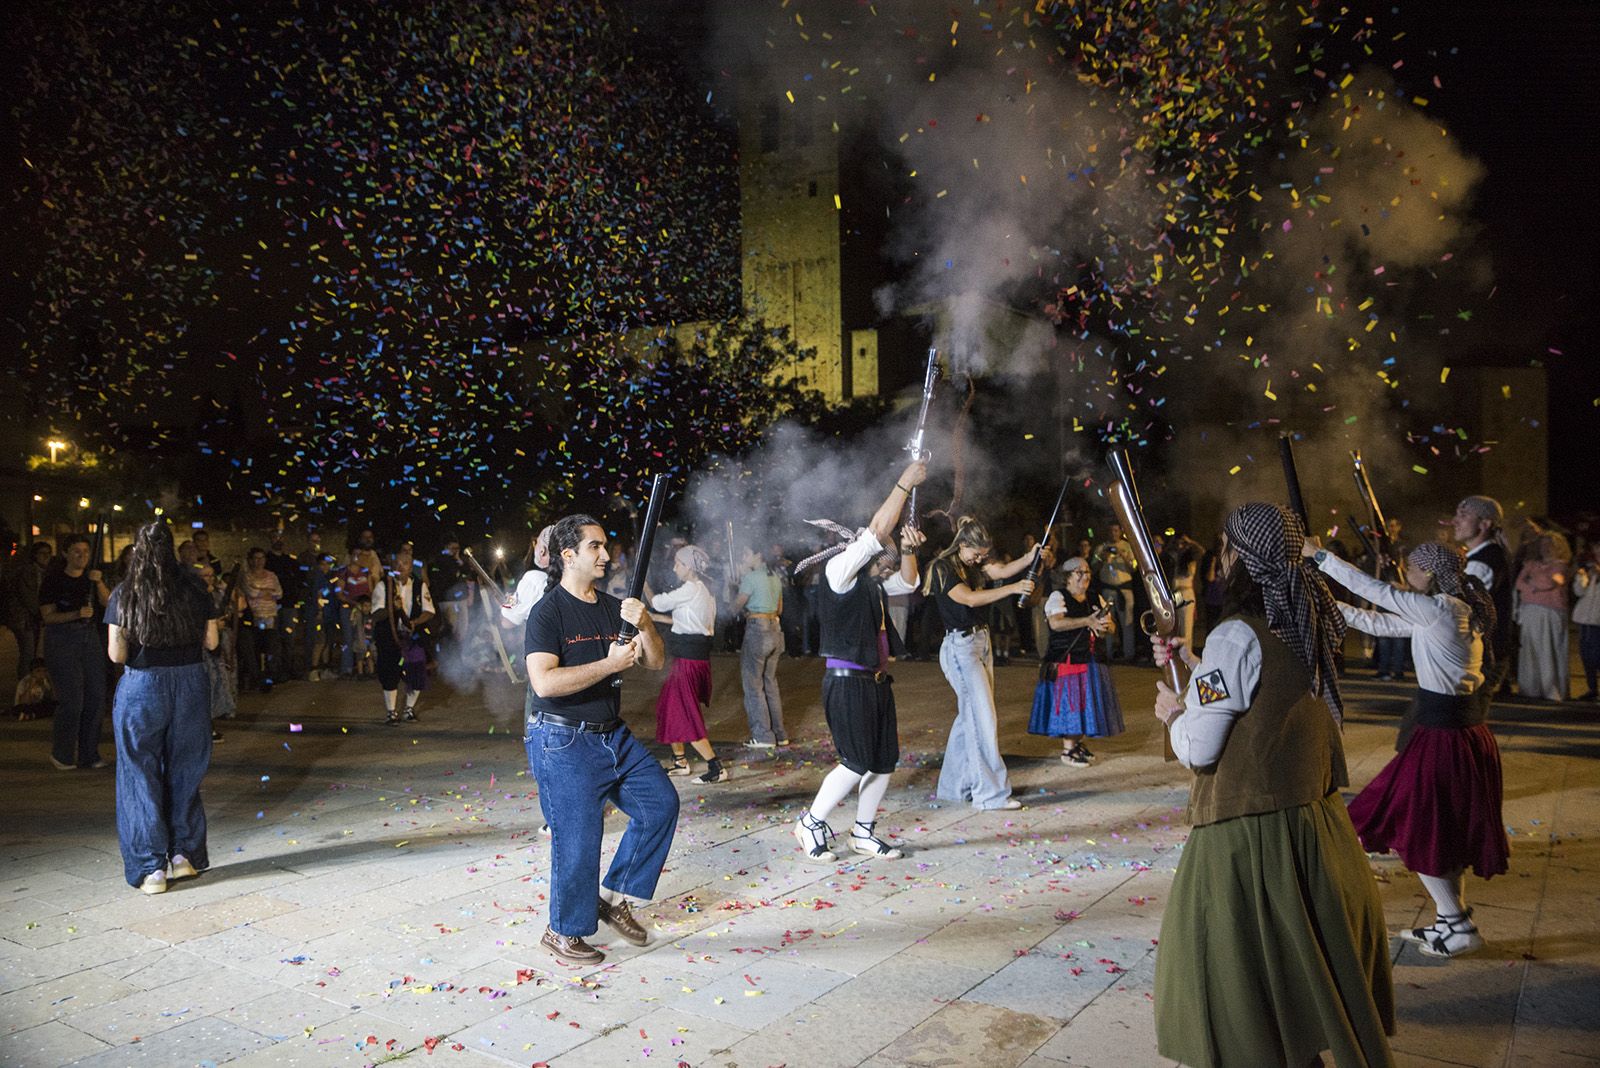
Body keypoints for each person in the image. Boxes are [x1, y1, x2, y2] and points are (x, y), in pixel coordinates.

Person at [1150, 503, 1392, 1068]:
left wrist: (1174, 712)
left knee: (1242, 987)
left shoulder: (1236, 635)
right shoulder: (1307, 618)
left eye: (1225, 547)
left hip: (1251, 837)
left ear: (1239, 555)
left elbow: (1199, 747)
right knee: (1298, 979)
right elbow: (1258, 685)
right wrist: (1195, 661)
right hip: (1313, 824)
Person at [1311, 538, 1509, 959]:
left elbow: (1376, 591)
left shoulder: (1441, 610)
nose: (1407, 573)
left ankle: (1457, 926)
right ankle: (1451, 922)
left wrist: (1322, 557)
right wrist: (1324, 603)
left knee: (1419, 828)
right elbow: (1379, 622)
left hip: (1445, 738)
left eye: (1413, 567)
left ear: (1431, 573)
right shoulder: (1446, 611)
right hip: (1453, 734)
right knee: (1437, 831)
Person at [523, 514, 673, 965]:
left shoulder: (613, 607)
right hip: (563, 740)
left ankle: (611, 897)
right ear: (568, 555)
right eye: (596, 547)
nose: (607, 554)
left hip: (612, 735)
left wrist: (645, 624)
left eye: (605, 546)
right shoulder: (548, 612)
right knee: (578, 839)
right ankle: (562, 931)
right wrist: (609, 665)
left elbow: (653, 662)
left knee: (660, 805)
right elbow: (544, 682)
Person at [793, 461, 927, 862]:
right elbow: (877, 530)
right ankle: (811, 822)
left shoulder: (872, 586)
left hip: (876, 681)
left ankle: (863, 833)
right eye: (884, 555)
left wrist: (909, 552)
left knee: (883, 762)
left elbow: (909, 582)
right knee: (855, 762)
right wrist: (904, 482)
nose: (887, 561)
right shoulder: (838, 572)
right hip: (846, 681)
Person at [104, 521, 221, 894]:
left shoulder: (125, 593)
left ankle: (151, 868)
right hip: (190, 682)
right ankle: (184, 856)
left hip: (144, 684)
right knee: (186, 769)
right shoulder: (195, 588)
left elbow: (116, 654)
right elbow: (212, 641)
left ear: (137, 551)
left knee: (139, 771)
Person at [922, 516, 1038, 810]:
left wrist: (1030, 557)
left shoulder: (973, 563)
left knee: (970, 717)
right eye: (976, 554)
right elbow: (969, 599)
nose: (979, 560)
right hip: (960, 648)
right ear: (962, 544)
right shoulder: (942, 567)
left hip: (980, 641)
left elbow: (1001, 570)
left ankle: (952, 788)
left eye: (983, 556)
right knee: (982, 718)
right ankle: (989, 795)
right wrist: (1012, 589)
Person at [1028, 557, 1122, 766]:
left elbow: (1112, 627)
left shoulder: (1095, 597)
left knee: (1086, 704)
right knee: (1071, 704)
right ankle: (1068, 750)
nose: (1085, 576)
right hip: (1067, 660)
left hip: (1091, 660)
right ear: (1067, 577)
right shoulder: (1058, 597)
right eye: (1079, 572)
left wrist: (1106, 626)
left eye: (1087, 572)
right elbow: (1056, 623)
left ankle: (1077, 744)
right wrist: (1087, 620)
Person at [649, 545, 727, 783]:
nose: (675, 568)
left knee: (685, 713)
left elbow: (658, 602)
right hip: (694, 659)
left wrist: (643, 586)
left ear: (690, 567)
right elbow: (687, 620)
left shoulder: (691, 588)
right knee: (669, 706)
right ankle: (680, 762)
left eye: (678, 563)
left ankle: (716, 767)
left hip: (688, 662)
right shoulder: (704, 591)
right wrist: (654, 618)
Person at [40, 534, 112, 769]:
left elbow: (108, 603)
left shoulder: (91, 578)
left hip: (89, 639)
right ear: (65, 554)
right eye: (76, 551)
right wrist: (75, 614)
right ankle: (62, 753)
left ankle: (89, 753)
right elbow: (48, 616)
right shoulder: (53, 580)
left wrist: (99, 583)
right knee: (72, 701)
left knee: (96, 697)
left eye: (86, 552)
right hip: (62, 640)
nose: (82, 556)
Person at [1451, 496, 1513, 696]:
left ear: (1485, 524)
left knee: (1465, 711)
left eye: (1463, 515)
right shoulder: (1486, 556)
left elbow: (1456, 608)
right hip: (1484, 652)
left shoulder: (1483, 563)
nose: (1455, 521)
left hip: (1481, 656)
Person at [370, 545, 434, 723]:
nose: (400, 567)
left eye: (404, 563)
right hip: (389, 636)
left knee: (417, 672)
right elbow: (376, 613)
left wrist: (415, 622)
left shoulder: (420, 586)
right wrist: (392, 607)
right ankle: (391, 712)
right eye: (397, 563)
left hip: (413, 637)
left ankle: (409, 709)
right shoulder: (383, 585)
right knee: (389, 671)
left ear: (411, 566)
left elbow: (429, 611)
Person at [733, 545, 787, 748]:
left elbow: (736, 606)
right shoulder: (775, 577)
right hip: (775, 629)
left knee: (753, 686)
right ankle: (779, 733)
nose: (744, 557)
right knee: (770, 683)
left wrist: (733, 589)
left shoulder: (751, 577)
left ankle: (763, 735)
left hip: (758, 630)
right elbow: (779, 608)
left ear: (758, 555)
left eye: (747, 553)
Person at [1514, 532, 1571, 702]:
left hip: (1551, 611)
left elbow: (1549, 583)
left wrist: (1531, 583)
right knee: (1530, 649)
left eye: (1550, 545)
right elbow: (1519, 583)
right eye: (1543, 545)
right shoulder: (1532, 564)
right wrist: (1535, 586)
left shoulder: (1561, 566)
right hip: (1530, 610)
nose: (1545, 548)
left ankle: (1551, 688)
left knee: (1549, 649)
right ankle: (1531, 688)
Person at [236, 547, 283, 693]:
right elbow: (251, 592)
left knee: (271, 647)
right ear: (251, 560)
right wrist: (267, 592)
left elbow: (279, 593)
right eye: (256, 558)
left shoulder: (272, 575)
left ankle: (270, 677)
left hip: (270, 616)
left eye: (261, 558)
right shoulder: (246, 576)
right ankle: (256, 678)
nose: (259, 561)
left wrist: (261, 591)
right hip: (254, 616)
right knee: (254, 648)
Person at [1091, 524, 1137, 660]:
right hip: (1108, 589)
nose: (1113, 533)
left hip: (1124, 590)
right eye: (1111, 530)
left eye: (1116, 530)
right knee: (1107, 621)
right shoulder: (1101, 548)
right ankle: (1109, 653)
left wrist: (1122, 555)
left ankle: (1129, 653)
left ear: (1120, 531)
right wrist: (1102, 558)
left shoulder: (1128, 546)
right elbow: (1093, 568)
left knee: (1127, 622)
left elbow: (1134, 568)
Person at [335, 548, 373, 679]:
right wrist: (354, 603)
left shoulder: (365, 571)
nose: (357, 557)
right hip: (349, 609)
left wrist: (367, 606)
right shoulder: (343, 572)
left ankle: (365, 668)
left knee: (364, 638)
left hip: (364, 610)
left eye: (360, 555)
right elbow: (339, 593)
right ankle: (347, 669)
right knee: (348, 638)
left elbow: (370, 590)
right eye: (355, 554)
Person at [1573, 542, 1600, 702]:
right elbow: (1578, 591)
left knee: (1597, 655)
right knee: (1586, 655)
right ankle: (1592, 688)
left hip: (1598, 621)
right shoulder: (1591, 570)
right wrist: (1583, 577)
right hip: (1585, 619)